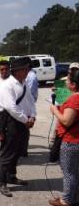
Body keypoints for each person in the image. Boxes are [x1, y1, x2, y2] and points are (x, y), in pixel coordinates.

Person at [0, 57, 36, 197]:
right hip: (12, 122)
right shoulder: (7, 85)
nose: (28, 71)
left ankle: (11, 176)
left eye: (28, 69)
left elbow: (31, 102)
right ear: (18, 71)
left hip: (23, 122)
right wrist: (26, 119)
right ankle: (2, 182)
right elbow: (11, 107)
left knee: (18, 151)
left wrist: (33, 116)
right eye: (26, 69)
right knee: (7, 154)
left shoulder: (23, 83)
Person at [48, 70, 79, 206]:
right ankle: (74, 196)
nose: (64, 82)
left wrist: (55, 110)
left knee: (68, 172)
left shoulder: (74, 99)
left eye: (67, 81)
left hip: (71, 141)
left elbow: (67, 121)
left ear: (73, 85)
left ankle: (66, 200)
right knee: (74, 171)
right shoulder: (73, 97)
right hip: (75, 140)